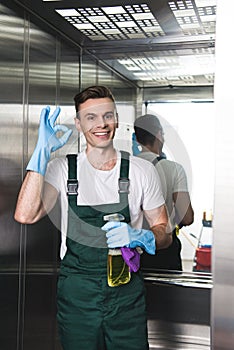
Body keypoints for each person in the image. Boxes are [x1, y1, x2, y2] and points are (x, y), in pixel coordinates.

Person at [14, 86, 172, 350]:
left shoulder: (141, 171)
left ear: (116, 119)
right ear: (78, 123)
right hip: (78, 297)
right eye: (91, 117)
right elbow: (25, 214)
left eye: (107, 115)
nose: (101, 124)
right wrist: (41, 153)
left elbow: (163, 231)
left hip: (126, 296)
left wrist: (145, 237)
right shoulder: (61, 169)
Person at [134, 113, 194, 271]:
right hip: (164, 249)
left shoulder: (126, 168)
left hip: (132, 250)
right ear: (159, 134)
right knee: (167, 294)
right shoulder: (174, 169)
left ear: (137, 138)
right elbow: (187, 217)